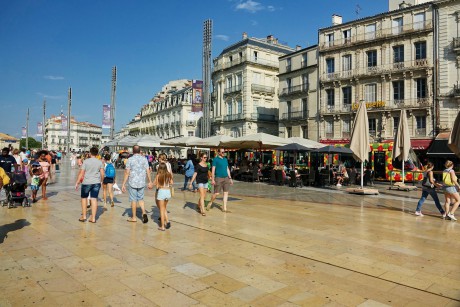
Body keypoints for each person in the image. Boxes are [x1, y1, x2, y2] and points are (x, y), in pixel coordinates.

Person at [122, 145, 153, 223]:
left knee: (133, 199)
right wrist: (150, 181)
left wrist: (123, 184)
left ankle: (134, 217)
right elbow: (148, 171)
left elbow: (127, 172)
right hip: (142, 182)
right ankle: (144, 213)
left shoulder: (130, 160)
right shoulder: (144, 159)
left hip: (133, 182)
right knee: (141, 198)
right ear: (140, 151)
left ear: (133, 151)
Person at [75, 147, 104, 223]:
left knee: (84, 198)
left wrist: (77, 182)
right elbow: (102, 174)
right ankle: (93, 218)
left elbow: (81, 173)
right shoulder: (99, 162)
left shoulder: (86, 161)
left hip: (86, 182)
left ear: (90, 153)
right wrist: (101, 181)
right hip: (96, 183)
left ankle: (84, 216)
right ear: (97, 154)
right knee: (94, 199)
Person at [207, 148, 233, 213]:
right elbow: (213, 170)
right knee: (217, 193)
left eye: (224, 152)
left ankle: (224, 208)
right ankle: (210, 202)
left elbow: (227, 169)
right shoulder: (215, 160)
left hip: (226, 178)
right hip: (218, 178)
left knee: (226, 193)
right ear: (218, 153)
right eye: (222, 152)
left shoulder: (225, 159)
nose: (223, 153)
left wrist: (230, 178)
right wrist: (212, 179)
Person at [155, 162, 173, 231]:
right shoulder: (169, 174)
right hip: (168, 192)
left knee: (161, 210)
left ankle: (162, 226)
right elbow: (171, 183)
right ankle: (167, 221)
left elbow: (157, 186)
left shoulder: (158, 175)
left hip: (161, 191)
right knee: (164, 207)